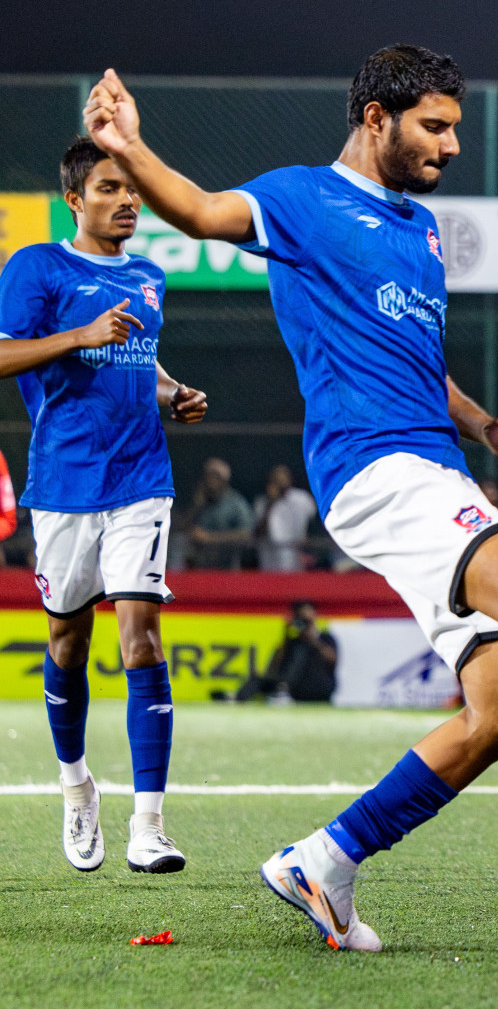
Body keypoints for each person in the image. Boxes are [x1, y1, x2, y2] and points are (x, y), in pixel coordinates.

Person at [84, 45, 498, 952]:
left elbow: (418, 363)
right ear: (375, 120)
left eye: (455, 130)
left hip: (428, 460)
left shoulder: (421, 232)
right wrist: (128, 146)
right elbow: (198, 211)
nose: (450, 147)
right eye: (434, 127)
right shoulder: (299, 198)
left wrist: (480, 425)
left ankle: (324, 860)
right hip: (370, 462)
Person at [0, 135, 207, 874]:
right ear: (75, 199)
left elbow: (137, 361)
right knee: (67, 643)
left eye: (133, 190)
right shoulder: (36, 267)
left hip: (140, 481)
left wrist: (173, 393)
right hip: (62, 483)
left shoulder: (150, 276)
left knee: (140, 639)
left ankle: (148, 825)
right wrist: (78, 336)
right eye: (111, 188)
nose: (128, 201)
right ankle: (75, 785)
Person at [237, 601, 338, 703]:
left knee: (301, 651)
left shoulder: (326, 638)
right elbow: (272, 668)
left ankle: (283, 690)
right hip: (294, 686)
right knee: (257, 679)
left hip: (317, 685)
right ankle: (235, 699)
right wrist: (286, 636)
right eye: (300, 618)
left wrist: (313, 640)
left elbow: (333, 659)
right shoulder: (293, 643)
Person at [188, 456, 254, 568]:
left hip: (227, 568)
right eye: (208, 476)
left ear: (224, 480)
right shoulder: (202, 502)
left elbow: (246, 535)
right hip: (203, 567)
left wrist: (210, 538)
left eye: (215, 476)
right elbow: (186, 530)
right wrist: (195, 506)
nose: (211, 480)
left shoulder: (236, 502)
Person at [253, 464, 317, 572]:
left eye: (283, 477)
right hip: (269, 562)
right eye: (276, 478)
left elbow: (315, 524)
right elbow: (257, 533)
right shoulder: (262, 503)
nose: (280, 481)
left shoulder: (302, 498)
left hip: (295, 561)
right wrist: (271, 503)